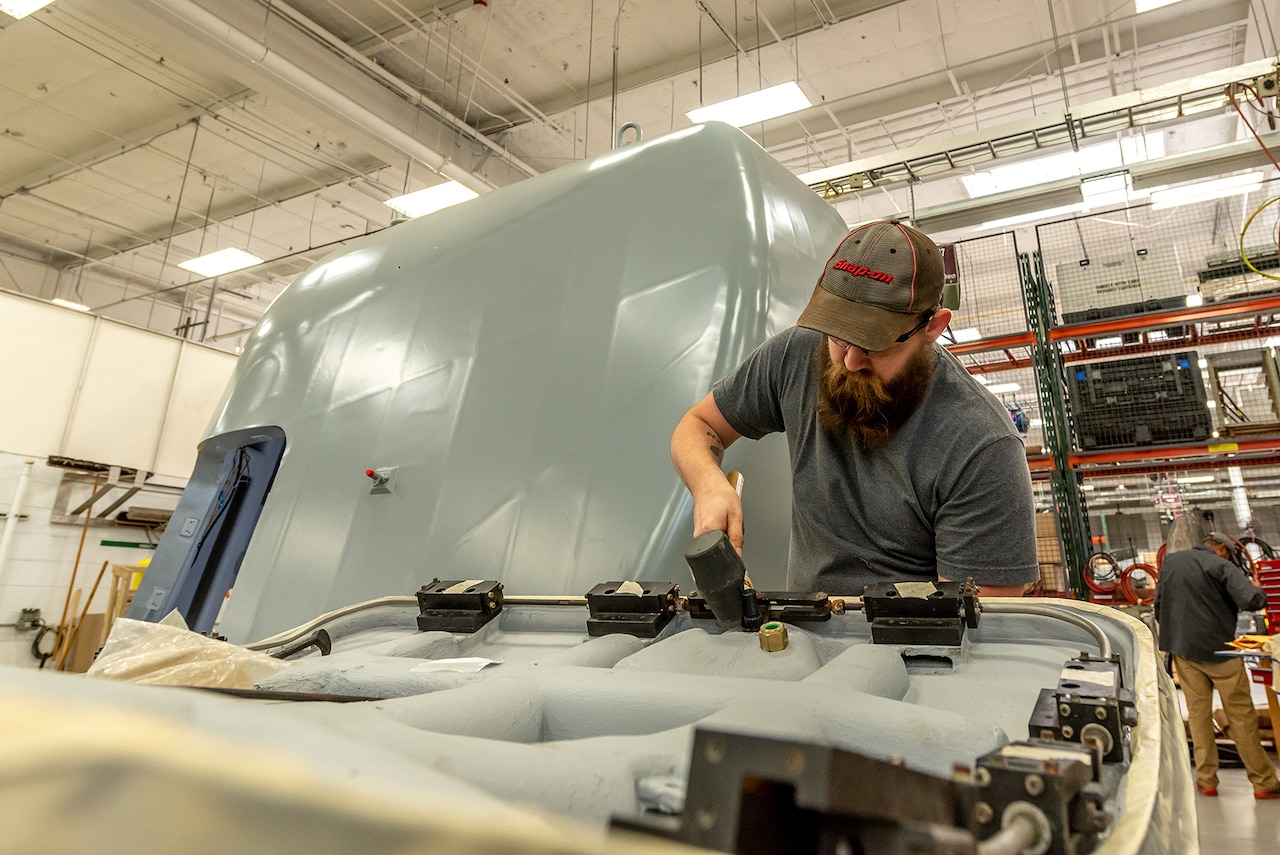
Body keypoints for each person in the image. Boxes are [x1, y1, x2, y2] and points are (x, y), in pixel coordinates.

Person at [670, 220, 1039, 597]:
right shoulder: (794, 356)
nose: (849, 361)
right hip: (808, 633)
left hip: (914, 645)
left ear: (933, 326)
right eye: (838, 336)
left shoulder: (979, 444)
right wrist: (709, 485)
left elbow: (983, 627)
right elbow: (698, 425)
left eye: (873, 344)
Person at [1153, 533, 1279, 799]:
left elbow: (1158, 607)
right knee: (1241, 716)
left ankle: (1206, 779)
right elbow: (1252, 601)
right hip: (1222, 653)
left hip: (1185, 653)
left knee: (1198, 715)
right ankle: (1263, 782)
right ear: (1222, 549)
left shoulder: (1171, 563)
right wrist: (1256, 586)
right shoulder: (1221, 565)